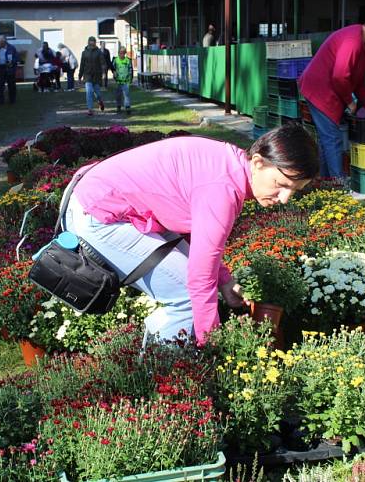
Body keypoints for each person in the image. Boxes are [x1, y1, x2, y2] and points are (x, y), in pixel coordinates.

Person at [62, 125, 318, 346]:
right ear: (259, 162)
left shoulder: (230, 164)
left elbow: (200, 244)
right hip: (98, 215)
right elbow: (199, 278)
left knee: (187, 287)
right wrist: (212, 345)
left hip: (94, 198)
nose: (285, 198)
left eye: (294, 191)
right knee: (184, 294)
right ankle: (168, 377)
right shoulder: (222, 191)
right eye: (282, 185)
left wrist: (225, 281)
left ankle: (164, 360)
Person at [297, 12, 365, 199]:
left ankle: (326, 183)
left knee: (327, 140)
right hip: (319, 90)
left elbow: (359, 83)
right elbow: (340, 77)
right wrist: (350, 102)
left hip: (328, 91)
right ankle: (341, 188)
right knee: (332, 139)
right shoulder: (352, 41)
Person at [78, 36, 106, 115]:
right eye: (90, 41)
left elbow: (103, 63)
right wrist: (80, 76)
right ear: (88, 42)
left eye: (93, 42)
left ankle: (100, 102)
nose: (92, 43)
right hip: (87, 75)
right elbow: (82, 65)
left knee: (98, 93)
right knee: (89, 92)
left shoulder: (99, 52)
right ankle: (90, 109)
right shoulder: (84, 53)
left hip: (97, 75)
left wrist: (104, 72)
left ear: (95, 42)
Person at [0, 35, 18, 104]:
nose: (0, 43)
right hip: (0, 68)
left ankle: (12, 100)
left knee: (11, 85)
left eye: (1, 42)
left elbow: (16, 58)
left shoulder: (12, 48)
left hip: (10, 68)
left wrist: (12, 62)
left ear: (5, 41)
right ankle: (0, 101)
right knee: (0, 86)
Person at [112, 46, 133, 114]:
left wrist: (130, 79)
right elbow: (113, 68)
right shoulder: (116, 60)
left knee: (126, 95)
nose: (121, 54)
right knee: (118, 95)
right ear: (118, 53)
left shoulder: (127, 60)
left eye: (123, 53)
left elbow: (130, 70)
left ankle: (127, 107)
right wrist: (114, 72)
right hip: (118, 81)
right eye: (120, 53)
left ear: (125, 53)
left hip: (126, 81)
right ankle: (118, 106)